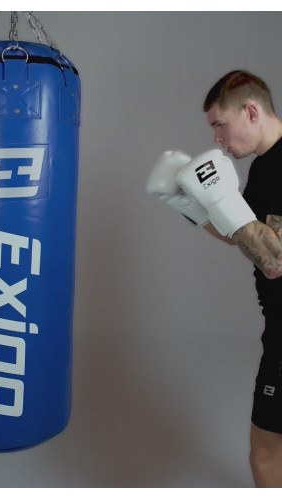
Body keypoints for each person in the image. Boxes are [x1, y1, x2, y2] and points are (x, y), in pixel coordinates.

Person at [147, 70, 282, 487]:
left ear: (251, 112)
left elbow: (275, 260)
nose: (217, 139)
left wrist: (220, 198)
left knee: (266, 453)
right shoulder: (264, 169)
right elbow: (246, 235)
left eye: (220, 125)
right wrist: (190, 206)